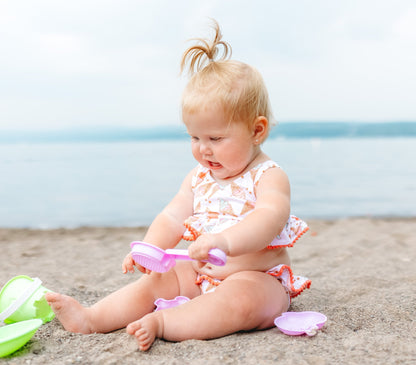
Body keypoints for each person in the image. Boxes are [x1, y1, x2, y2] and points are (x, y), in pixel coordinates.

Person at [45, 20, 311, 351]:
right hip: (201, 276)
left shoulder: (268, 176)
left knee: (242, 301)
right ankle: (92, 319)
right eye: (195, 137)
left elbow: (268, 218)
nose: (204, 148)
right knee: (156, 281)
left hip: (257, 278)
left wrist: (224, 241)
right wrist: (150, 248)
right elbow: (172, 216)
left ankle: (164, 323)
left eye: (216, 138)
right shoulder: (199, 178)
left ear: (257, 131)